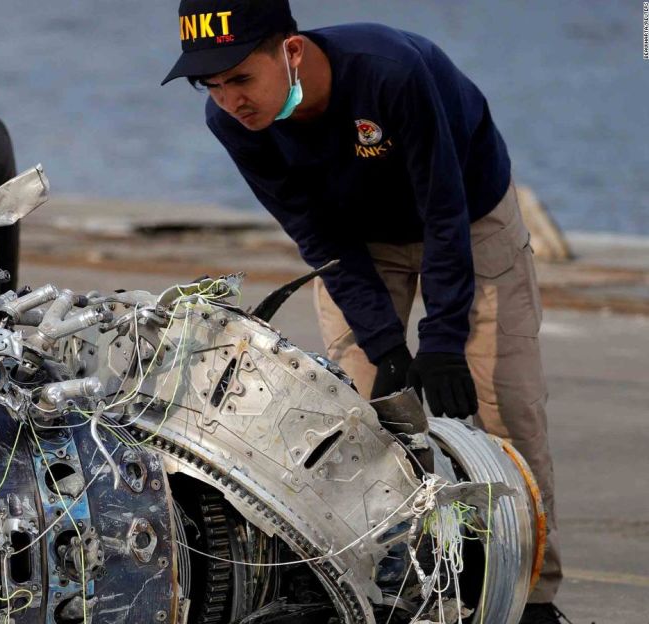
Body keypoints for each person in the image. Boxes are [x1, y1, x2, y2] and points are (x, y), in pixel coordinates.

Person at [162, 1, 565, 621]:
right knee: (355, 419)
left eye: (241, 77)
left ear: (290, 51)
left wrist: (442, 338)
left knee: (503, 405)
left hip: (468, 217)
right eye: (210, 86)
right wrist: (388, 346)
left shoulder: (391, 73)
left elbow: (446, 210)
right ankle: (394, 580)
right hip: (357, 239)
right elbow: (318, 235)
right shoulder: (234, 125)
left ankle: (532, 600)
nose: (229, 100)